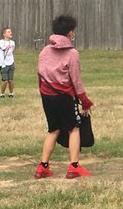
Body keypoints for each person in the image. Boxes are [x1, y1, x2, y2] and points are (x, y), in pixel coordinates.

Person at [35, 14, 94, 179]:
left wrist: (45, 92)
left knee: (53, 129)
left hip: (47, 95)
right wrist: (85, 102)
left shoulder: (44, 51)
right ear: (69, 33)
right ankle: (74, 166)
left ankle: (42, 167)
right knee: (73, 128)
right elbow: (76, 81)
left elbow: (40, 74)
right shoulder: (72, 53)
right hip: (65, 97)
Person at [0, 26, 16, 98]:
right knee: (5, 81)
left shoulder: (13, 43)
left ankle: (11, 93)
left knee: (11, 80)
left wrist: (13, 62)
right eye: (9, 32)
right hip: (3, 64)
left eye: (11, 32)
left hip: (11, 63)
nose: (11, 33)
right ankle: (2, 94)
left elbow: (11, 52)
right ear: (4, 34)